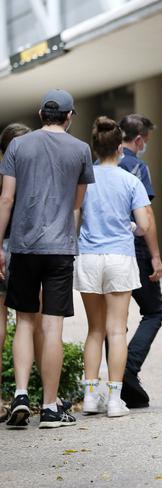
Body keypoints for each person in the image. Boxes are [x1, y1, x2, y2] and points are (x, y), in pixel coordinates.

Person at [0, 89, 94, 428]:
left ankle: (21, 396)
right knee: (52, 325)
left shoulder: (17, 146)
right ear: (70, 117)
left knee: (25, 321)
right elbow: (76, 203)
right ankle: (51, 406)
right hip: (60, 248)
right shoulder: (81, 149)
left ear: (41, 113)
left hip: (23, 246)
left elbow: (7, 198)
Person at [76, 117, 151, 418]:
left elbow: (74, 218)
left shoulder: (84, 180)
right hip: (119, 257)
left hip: (89, 256)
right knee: (116, 330)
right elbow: (144, 225)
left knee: (95, 330)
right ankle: (115, 399)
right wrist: (130, 225)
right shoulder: (130, 180)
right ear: (120, 148)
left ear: (94, 147)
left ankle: (90, 397)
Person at [117, 114, 162, 408]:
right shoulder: (137, 167)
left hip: (106, 250)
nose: (145, 145)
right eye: (146, 140)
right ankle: (128, 369)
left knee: (113, 321)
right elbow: (145, 216)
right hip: (135, 249)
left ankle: (112, 379)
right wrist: (156, 256)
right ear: (138, 139)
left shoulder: (100, 166)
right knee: (154, 311)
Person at [0, 122, 31, 422]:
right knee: (31, 322)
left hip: (2, 247)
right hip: (26, 250)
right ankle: (40, 395)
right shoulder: (34, 175)